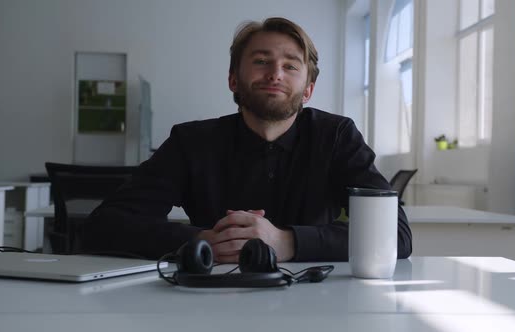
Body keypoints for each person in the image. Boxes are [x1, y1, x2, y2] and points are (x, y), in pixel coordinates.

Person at [79, 17, 412, 262]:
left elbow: (394, 235)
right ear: (233, 80)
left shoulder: (338, 136)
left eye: (290, 66)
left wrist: (287, 242)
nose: (275, 74)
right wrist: (203, 240)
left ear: (308, 90)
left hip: (316, 301)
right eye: (261, 61)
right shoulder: (191, 142)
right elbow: (104, 226)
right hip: (206, 302)